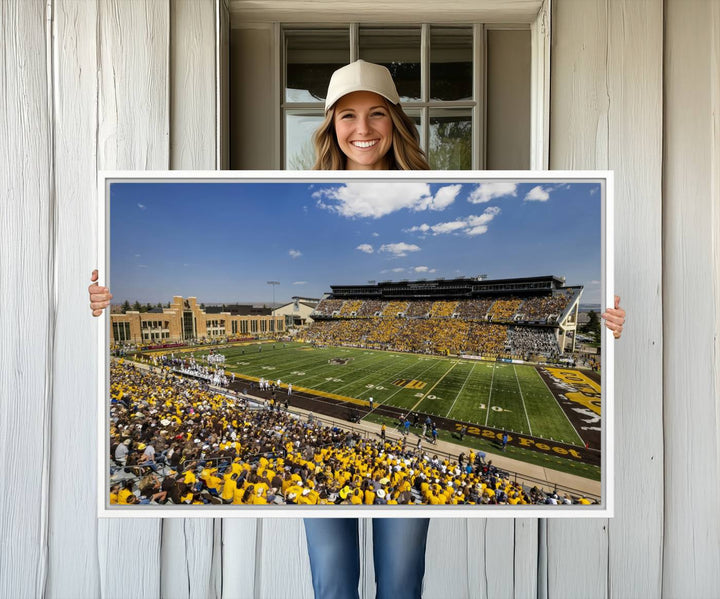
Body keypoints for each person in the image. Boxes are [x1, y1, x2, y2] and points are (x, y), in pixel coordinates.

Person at [88, 59, 627, 599]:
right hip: (332, 471)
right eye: (347, 116)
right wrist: (102, 307)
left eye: (376, 114)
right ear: (330, 126)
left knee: (400, 581)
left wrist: (606, 327)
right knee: (332, 581)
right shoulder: (305, 189)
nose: (362, 129)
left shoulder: (442, 187)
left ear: (395, 121)